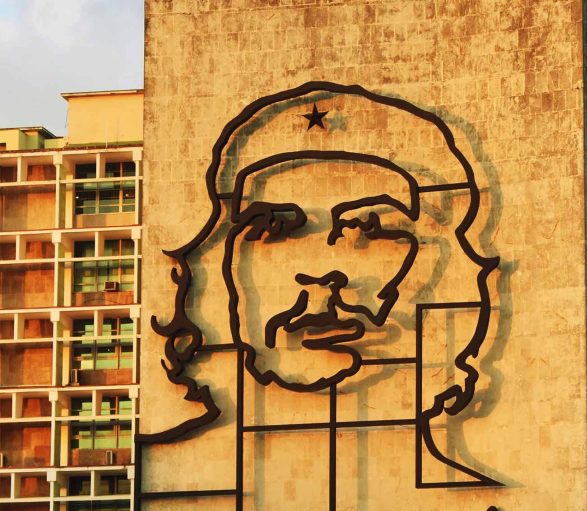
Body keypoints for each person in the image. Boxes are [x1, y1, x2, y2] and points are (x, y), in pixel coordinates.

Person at [140, 80, 500, 488]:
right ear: (210, 267)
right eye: (271, 231)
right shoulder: (173, 483)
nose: (323, 275)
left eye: (372, 231)